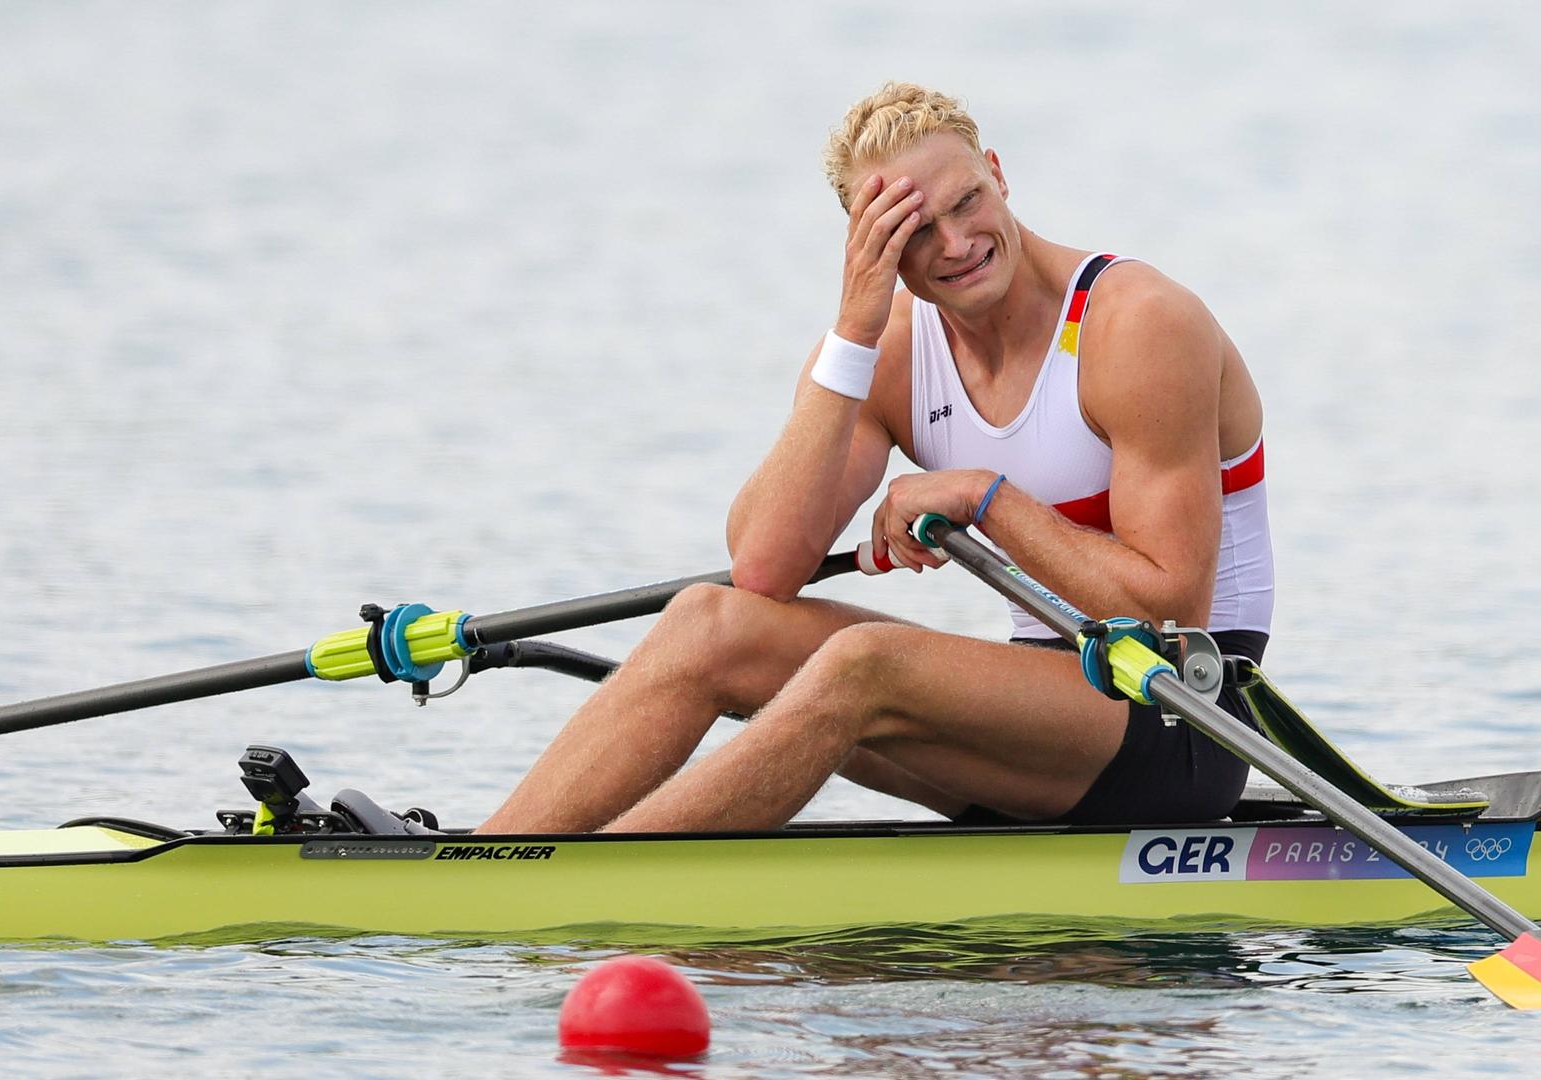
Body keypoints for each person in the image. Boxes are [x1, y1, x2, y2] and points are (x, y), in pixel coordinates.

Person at [478, 83, 1273, 835]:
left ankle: (578, 889)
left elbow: (1169, 614)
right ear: (871, 246)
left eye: (967, 202)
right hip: (1039, 719)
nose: (958, 244)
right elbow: (763, 570)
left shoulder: (1135, 325)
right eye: (914, 230)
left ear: (996, 173)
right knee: (709, 619)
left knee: (865, 662)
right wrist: (853, 332)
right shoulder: (888, 350)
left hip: (1184, 717)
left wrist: (982, 496)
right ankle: (490, 862)